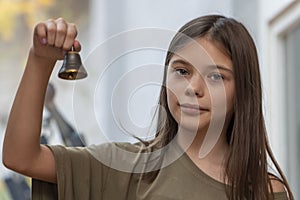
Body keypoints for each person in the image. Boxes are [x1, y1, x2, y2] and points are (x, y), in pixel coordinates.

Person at [2, 15, 294, 200]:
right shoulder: (125, 168)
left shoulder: (268, 192)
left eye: (216, 76)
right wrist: (40, 60)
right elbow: (21, 157)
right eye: (182, 71)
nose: (194, 87)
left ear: (242, 90)